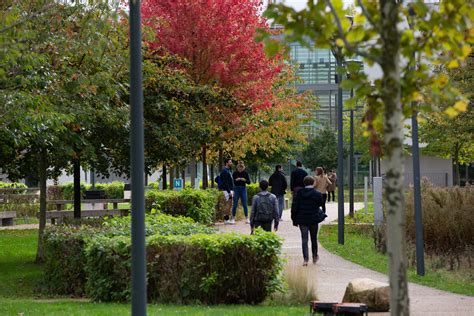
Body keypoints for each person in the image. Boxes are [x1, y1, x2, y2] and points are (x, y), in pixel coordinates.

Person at [291, 176, 323, 266]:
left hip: (302, 219)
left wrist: (294, 219)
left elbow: (294, 207)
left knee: (304, 239)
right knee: (314, 238)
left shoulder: (299, 193)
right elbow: (320, 203)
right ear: (313, 183)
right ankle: (314, 256)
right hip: (313, 219)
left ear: (304, 183)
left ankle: (305, 259)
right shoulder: (317, 193)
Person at [219, 158, 234, 224]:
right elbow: (225, 182)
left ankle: (227, 219)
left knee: (229, 204)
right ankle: (226, 219)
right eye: (230, 162)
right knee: (228, 204)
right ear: (226, 163)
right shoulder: (224, 171)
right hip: (227, 190)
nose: (231, 163)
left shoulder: (228, 170)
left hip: (230, 189)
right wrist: (229, 192)